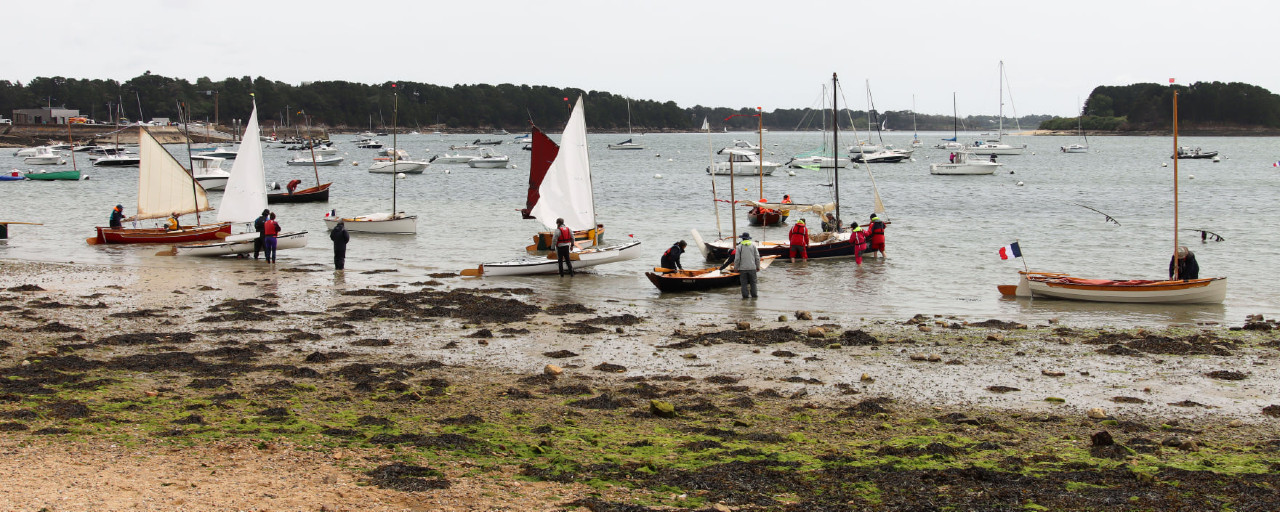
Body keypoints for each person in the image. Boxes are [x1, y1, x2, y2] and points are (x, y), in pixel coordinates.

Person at [734, 232, 762, 299]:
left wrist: (736, 268)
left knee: (744, 284)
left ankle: (745, 297)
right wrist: (758, 267)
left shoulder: (739, 247)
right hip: (752, 268)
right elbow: (757, 257)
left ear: (742, 239)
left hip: (743, 269)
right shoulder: (753, 246)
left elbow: (737, 259)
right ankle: (754, 297)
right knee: (753, 283)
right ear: (748, 239)